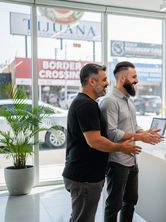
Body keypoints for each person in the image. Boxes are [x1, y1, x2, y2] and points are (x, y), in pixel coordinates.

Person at [62, 63, 141, 222]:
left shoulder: (89, 103)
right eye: (104, 79)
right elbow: (95, 141)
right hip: (84, 177)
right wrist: (121, 147)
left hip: (85, 175)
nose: (107, 83)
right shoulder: (86, 105)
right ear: (92, 81)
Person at [100, 61, 163, 222]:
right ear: (122, 78)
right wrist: (138, 137)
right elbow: (112, 133)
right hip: (117, 161)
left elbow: (133, 126)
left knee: (131, 201)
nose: (137, 80)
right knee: (114, 204)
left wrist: (145, 133)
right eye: (134, 77)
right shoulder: (109, 101)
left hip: (131, 160)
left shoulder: (128, 100)